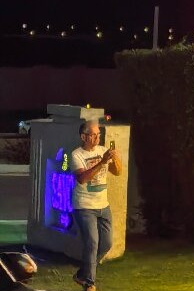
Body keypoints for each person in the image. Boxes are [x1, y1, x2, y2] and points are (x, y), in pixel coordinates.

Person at [70, 120, 121, 291]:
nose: (97, 137)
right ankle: (89, 284)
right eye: (93, 135)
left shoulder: (102, 151)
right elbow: (82, 179)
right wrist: (101, 162)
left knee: (105, 244)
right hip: (84, 206)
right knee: (92, 243)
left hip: (103, 205)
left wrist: (115, 159)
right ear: (83, 136)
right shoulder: (76, 155)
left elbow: (117, 172)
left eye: (98, 134)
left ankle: (82, 274)